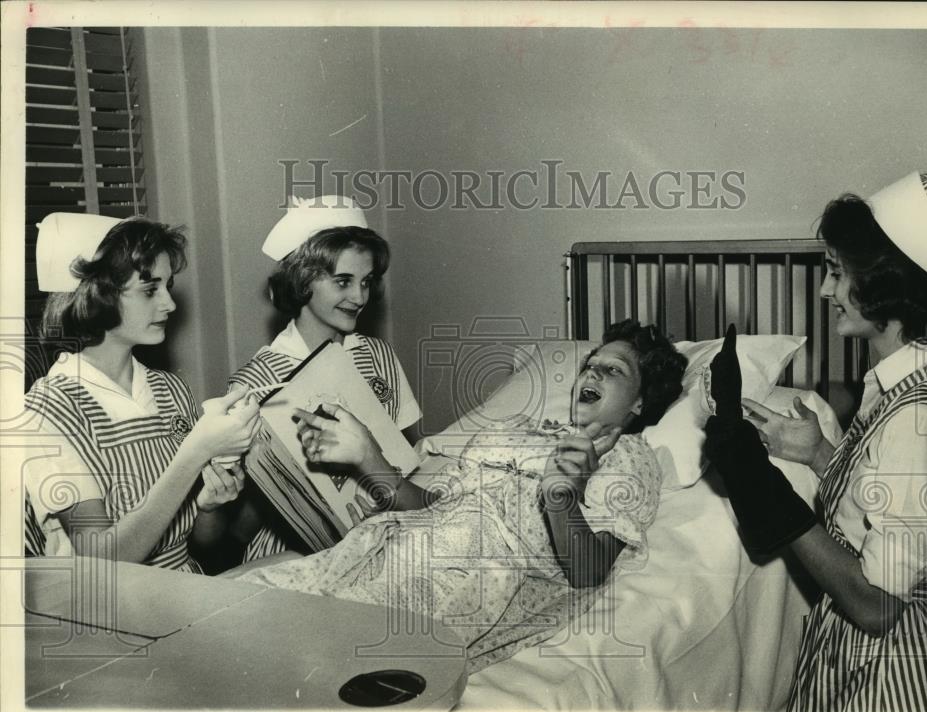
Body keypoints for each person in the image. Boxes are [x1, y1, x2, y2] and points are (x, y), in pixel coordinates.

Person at [232, 319, 686, 672]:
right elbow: (431, 507)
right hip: (399, 542)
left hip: (483, 566)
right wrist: (366, 453)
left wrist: (561, 499)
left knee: (324, 649)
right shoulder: (514, 428)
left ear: (640, 404)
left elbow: (589, 572)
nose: (593, 372)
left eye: (613, 371)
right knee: (240, 610)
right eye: (590, 364)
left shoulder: (629, 458)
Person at [704, 172, 927, 712]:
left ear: (883, 281)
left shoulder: (916, 418)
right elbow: (890, 506)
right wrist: (818, 455)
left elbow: (877, 604)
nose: (826, 290)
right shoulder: (911, 389)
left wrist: (763, 488)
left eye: (835, 273)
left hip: (891, 672)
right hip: (865, 652)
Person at [23, 214, 261, 571]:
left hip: (182, 592)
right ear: (96, 295)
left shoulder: (171, 391)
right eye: (150, 290)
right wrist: (196, 452)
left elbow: (201, 545)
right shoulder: (48, 410)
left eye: (168, 286)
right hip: (108, 613)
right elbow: (105, 561)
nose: (170, 304)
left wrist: (210, 506)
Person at [229, 194, 421, 563]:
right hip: (295, 550)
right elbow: (240, 521)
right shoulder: (255, 383)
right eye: (343, 281)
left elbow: (410, 456)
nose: (359, 296)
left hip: (391, 530)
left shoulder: (378, 355)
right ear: (302, 282)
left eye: (366, 282)